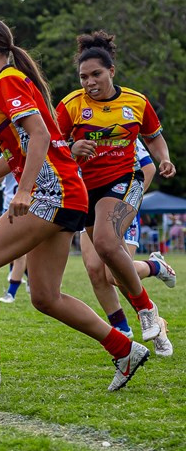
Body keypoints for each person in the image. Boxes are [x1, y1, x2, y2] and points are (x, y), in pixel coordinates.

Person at [0, 16, 150, 393]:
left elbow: (36, 136)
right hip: (67, 193)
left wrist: (24, 191)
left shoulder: (7, 81)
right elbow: (15, 153)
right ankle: (123, 349)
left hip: (54, 193)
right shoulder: (8, 84)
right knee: (45, 297)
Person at [56, 30, 176, 347]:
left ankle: (146, 310)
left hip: (125, 180)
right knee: (97, 270)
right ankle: (123, 330)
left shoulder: (136, 102)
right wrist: (72, 146)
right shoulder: (70, 105)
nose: (89, 82)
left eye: (96, 74)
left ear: (111, 71)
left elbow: (153, 137)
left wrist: (164, 159)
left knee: (108, 245)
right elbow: (51, 147)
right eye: (83, 76)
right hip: (87, 192)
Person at [77, 140, 174, 355]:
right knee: (94, 269)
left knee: (116, 276)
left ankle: (154, 269)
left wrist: (130, 203)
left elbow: (148, 167)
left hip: (119, 206)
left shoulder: (117, 122)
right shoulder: (73, 119)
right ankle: (121, 330)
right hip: (88, 207)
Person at [0, 164, 28, 303]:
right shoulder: (6, 155)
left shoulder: (36, 151)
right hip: (8, 209)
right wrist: (8, 160)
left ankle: (11, 293)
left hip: (28, 207)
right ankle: (29, 278)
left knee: (20, 252)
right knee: (12, 249)